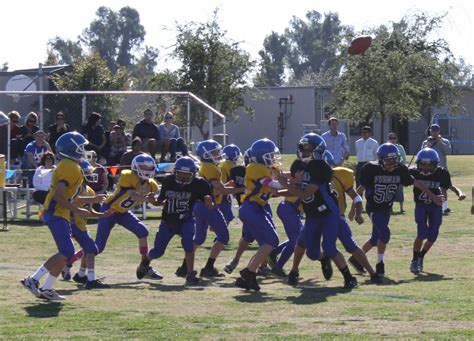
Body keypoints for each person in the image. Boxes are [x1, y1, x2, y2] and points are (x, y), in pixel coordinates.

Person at [277, 134, 359, 290]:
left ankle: (349, 277)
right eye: (304, 147)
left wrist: (286, 185)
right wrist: (284, 186)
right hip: (312, 214)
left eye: (310, 148)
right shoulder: (297, 165)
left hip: (328, 213)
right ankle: (302, 268)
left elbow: (305, 194)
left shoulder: (321, 167)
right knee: (310, 251)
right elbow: (296, 188)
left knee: (329, 246)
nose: (306, 150)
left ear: (318, 150)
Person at [20, 132, 95, 301]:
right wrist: (77, 211)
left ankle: (46, 289)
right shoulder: (70, 167)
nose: (83, 150)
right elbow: (59, 196)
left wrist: (92, 199)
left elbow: (69, 196)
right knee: (67, 251)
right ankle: (33, 279)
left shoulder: (70, 165)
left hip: (60, 213)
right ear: (72, 148)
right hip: (56, 212)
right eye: (80, 147)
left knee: (66, 253)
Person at [356, 143, 443, 276]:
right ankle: (380, 264)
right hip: (373, 207)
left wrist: (433, 196)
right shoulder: (370, 169)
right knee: (384, 234)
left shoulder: (401, 170)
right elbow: (361, 188)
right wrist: (355, 209)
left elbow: (417, 183)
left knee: (375, 239)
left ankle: (355, 260)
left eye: (394, 160)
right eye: (388, 160)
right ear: (380, 160)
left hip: (386, 208)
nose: (391, 163)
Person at [137, 157, 213, 285]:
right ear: (175, 172)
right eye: (180, 174)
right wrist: (152, 201)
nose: (183, 178)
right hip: (168, 221)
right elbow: (159, 202)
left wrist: (209, 203)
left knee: (189, 246)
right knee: (158, 252)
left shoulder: (200, 184)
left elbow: (210, 206)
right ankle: (145, 262)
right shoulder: (168, 181)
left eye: (186, 175)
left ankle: (190, 274)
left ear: (194, 174)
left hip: (186, 220)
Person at [94, 154, 162, 280]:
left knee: (143, 231)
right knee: (98, 246)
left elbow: (154, 200)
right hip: (110, 210)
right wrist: (147, 198)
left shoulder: (151, 184)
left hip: (123, 213)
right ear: (135, 167)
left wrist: (158, 201)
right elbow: (132, 194)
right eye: (143, 167)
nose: (146, 170)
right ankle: (70, 262)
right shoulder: (128, 176)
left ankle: (144, 266)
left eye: (149, 167)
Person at [188, 140, 243, 278]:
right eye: (215, 152)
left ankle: (185, 266)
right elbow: (221, 190)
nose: (219, 154)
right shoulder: (211, 168)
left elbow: (216, 188)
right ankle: (208, 267)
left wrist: (227, 186)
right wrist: (243, 188)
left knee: (199, 238)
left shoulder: (206, 166)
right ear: (206, 154)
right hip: (208, 205)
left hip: (199, 205)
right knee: (223, 237)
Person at [234, 138, 282, 291]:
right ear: (261, 156)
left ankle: (248, 274)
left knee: (267, 242)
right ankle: (249, 272)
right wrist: (293, 183)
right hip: (251, 208)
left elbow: (281, 178)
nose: (273, 158)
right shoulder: (254, 167)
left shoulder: (268, 168)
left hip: (257, 208)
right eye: (270, 155)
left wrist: (294, 178)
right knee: (272, 239)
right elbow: (273, 184)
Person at [408, 148, 465, 274]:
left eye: (429, 165)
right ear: (418, 163)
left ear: (435, 164)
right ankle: (414, 259)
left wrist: (459, 193)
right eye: (423, 164)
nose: (426, 168)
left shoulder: (441, 172)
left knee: (433, 236)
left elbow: (449, 186)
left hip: (436, 207)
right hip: (421, 205)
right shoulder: (412, 172)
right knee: (421, 233)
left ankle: (421, 256)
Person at [61, 160, 110, 289]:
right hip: (72, 222)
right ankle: (90, 279)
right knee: (90, 249)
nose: (89, 174)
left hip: (81, 224)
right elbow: (73, 200)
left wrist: (102, 215)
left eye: (90, 172)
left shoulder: (89, 190)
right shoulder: (75, 188)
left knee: (88, 249)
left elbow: (90, 211)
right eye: (86, 172)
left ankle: (81, 275)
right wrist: (93, 199)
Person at [422, 124, 452, 215]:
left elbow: (448, 152)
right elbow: (422, 153)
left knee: (443, 188)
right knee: (430, 187)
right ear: (430, 131)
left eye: (436, 131)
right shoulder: (426, 142)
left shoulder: (445, 141)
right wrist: (428, 145)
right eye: (432, 131)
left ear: (439, 131)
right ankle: (430, 204)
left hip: (442, 168)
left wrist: (440, 142)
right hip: (429, 168)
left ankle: (445, 207)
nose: (434, 133)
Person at [219, 144, 242, 224]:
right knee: (227, 216)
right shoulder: (230, 165)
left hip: (223, 191)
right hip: (223, 193)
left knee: (228, 216)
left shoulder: (222, 163)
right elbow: (236, 179)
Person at [388, 132, 407, 213]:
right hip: (389, 169)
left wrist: (401, 164)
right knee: (390, 188)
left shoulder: (400, 147)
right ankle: (390, 207)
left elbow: (404, 158)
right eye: (391, 138)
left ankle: (401, 208)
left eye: (394, 138)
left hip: (398, 169)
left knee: (400, 188)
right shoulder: (386, 147)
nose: (393, 140)